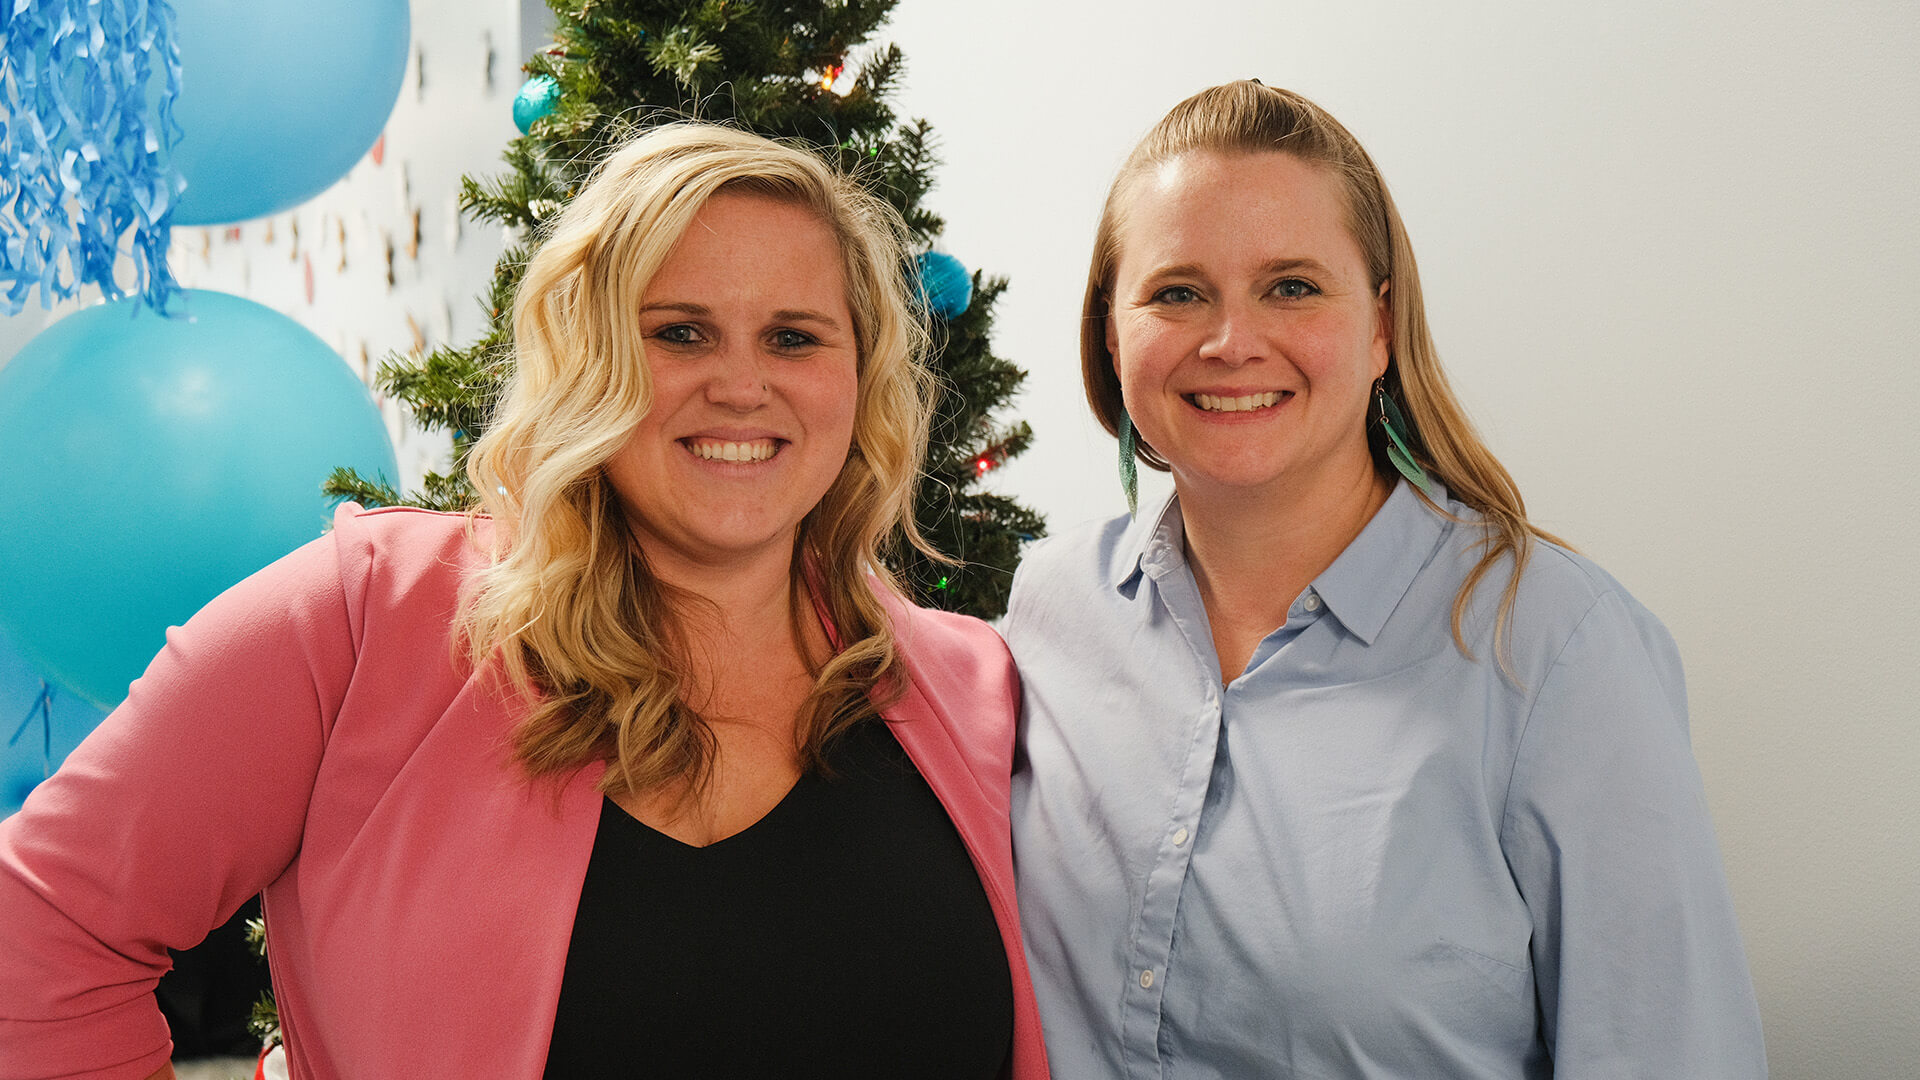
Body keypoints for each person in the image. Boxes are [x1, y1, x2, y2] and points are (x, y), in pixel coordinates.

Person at [0, 123, 1049, 1080]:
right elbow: (37, 924)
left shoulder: (975, 689)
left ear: (859, 378)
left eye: (794, 337)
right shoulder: (365, 619)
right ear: (585, 356)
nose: (741, 384)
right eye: (679, 331)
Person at [1005, 81, 1765, 1078]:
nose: (1231, 341)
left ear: (1379, 326)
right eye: (1177, 291)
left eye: (1291, 286)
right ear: (1113, 333)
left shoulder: (1554, 652)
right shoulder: (1049, 612)